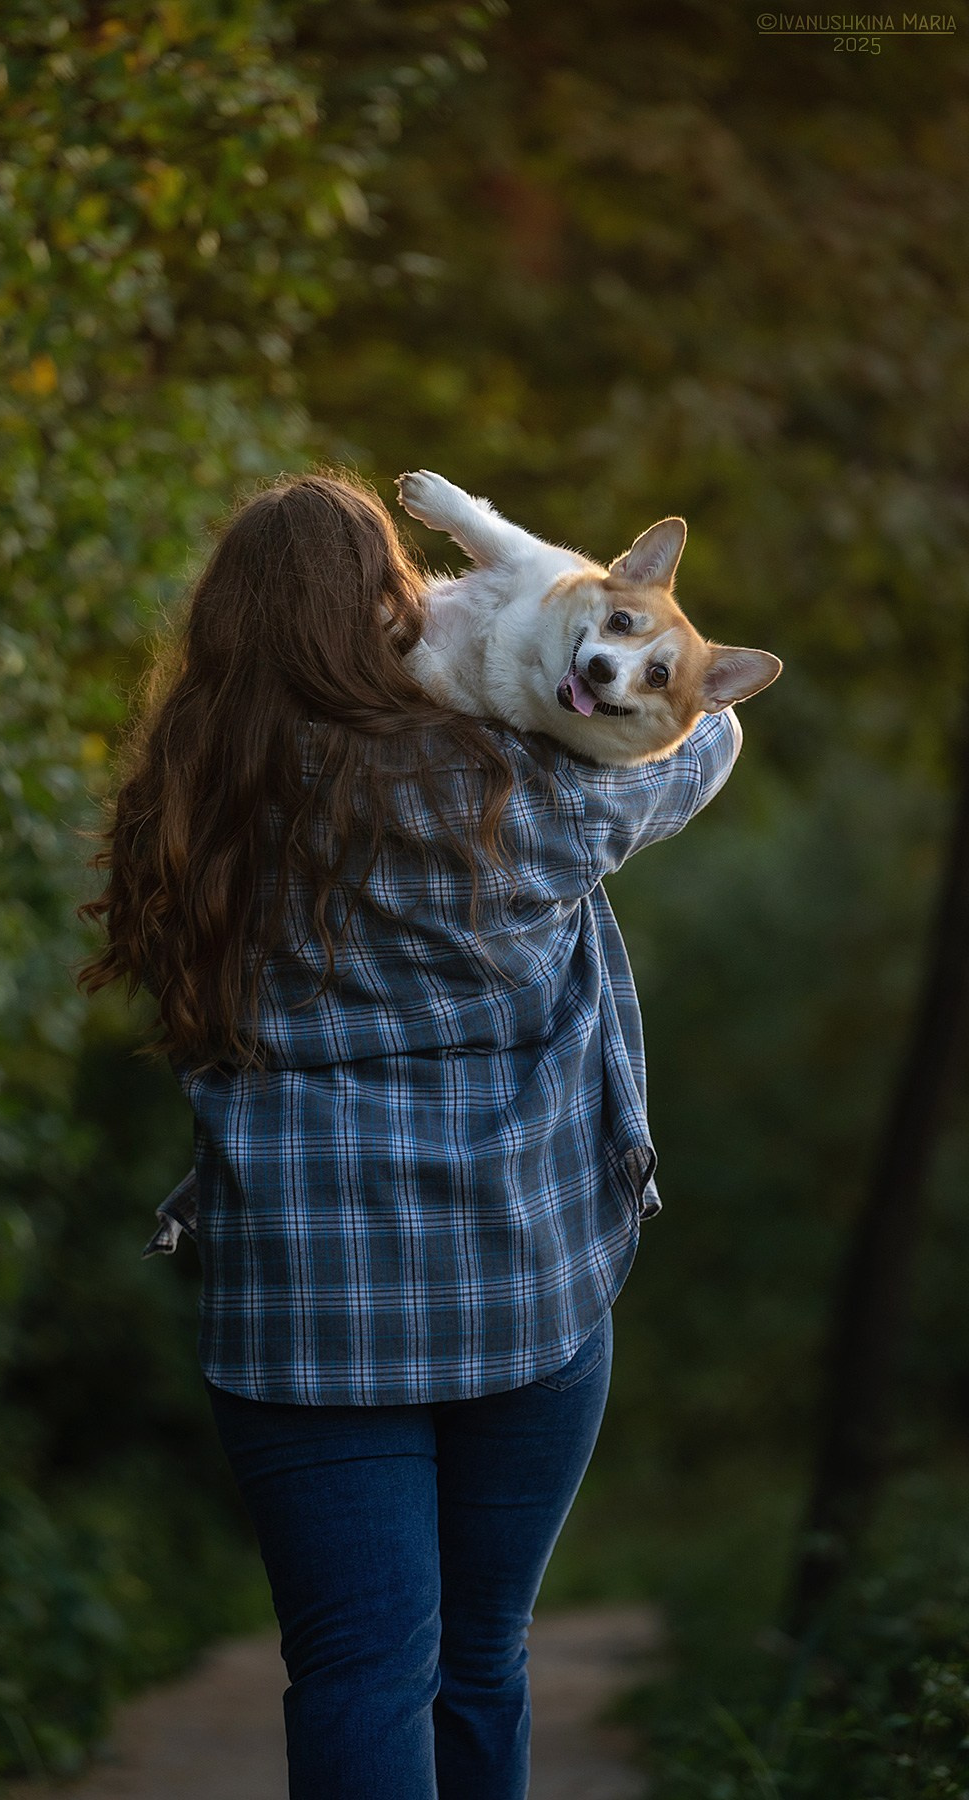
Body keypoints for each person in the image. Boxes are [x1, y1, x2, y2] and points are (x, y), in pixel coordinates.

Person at [77, 471, 743, 1800]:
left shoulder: (190, 808)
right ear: (386, 603)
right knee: (481, 1661)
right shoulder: (512, 783)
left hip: (299, 1306)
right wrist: (596, 621)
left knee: (358, 1672)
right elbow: (702, 737)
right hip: (523, 1283)